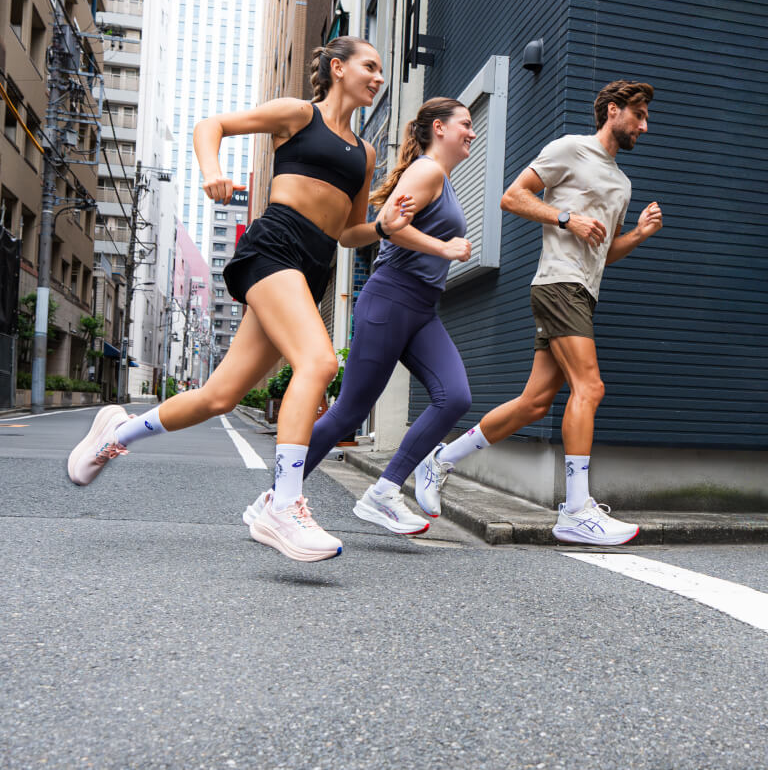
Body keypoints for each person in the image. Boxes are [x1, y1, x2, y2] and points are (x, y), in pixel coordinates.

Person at [67, 36, 416, 563]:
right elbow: (212, 127)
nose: (378, 77)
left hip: (313, 266)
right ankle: (283, 504)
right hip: (274, 247)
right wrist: (211, 172)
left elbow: (347, 232)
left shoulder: (365, 153)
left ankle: (116, 433)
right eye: (371, 66)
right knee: (318, 361)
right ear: (338, 68)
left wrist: (383, 226)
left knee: (219, 397)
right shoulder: (299, 115)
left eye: (381, 70)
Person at [415, 80, 663, 545]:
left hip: (583, 290)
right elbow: (513, 197)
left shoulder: (623, 184)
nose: (644, 127)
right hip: (558, 283)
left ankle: (440, 460)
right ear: (613, 110)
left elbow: (602, 252)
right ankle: (574, 510)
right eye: (639, 115)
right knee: (590, 386)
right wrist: (566, 218)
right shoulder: (571, 149)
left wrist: (639, 235)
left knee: (534, 404)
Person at [243, 98, 474, 536]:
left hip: (423, 307)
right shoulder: (426, 171)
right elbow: (389, 222)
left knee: (455, 397)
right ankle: (275, 499)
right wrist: (444, 248)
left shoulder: (441, 177)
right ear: (440, 129)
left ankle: (384, 491)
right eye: (465, 124)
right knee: (349, 411)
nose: (472, 132)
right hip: (391, 299)